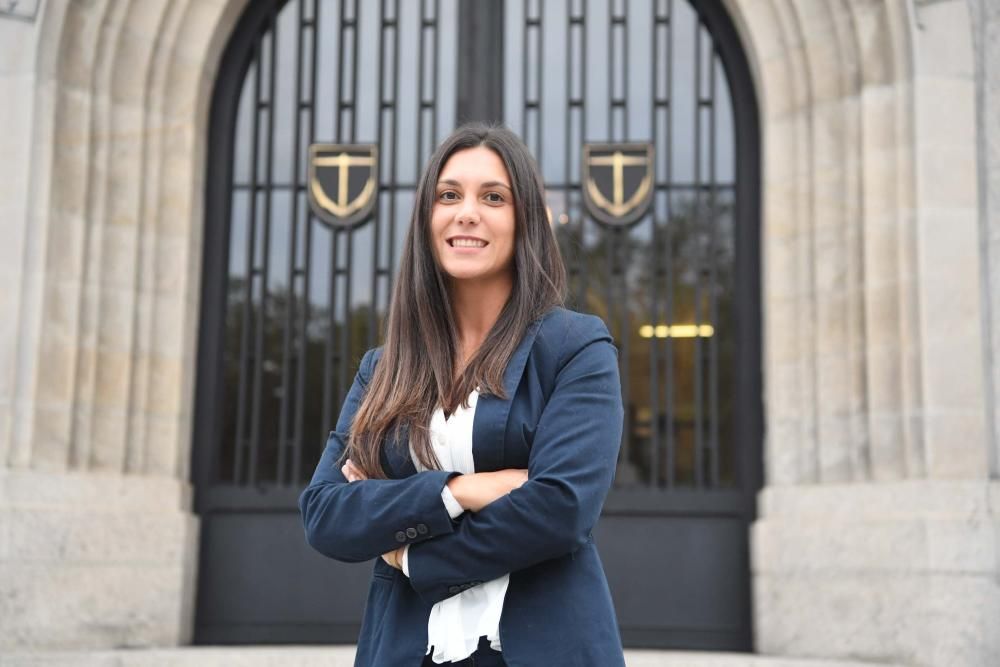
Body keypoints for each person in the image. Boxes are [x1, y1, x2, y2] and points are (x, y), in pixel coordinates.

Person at [298, 122, 626, 666]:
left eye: (493, 197)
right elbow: (326, 512)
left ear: (523, 221)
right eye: (448, 195)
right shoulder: (382, 369)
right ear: (428, 219)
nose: (466, 212)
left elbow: (561, 508)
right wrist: (460, 491)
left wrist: (412, 557)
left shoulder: (575, 347)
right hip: (405, 650)